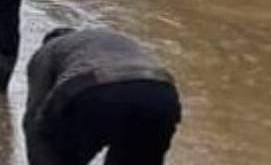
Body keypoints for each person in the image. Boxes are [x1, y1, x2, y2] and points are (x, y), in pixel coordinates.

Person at [24, 27, 181, 165]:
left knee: (45, 141)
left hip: (93, 90)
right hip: (161, 93)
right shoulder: (111, 37)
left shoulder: (47, 50)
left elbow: (32, 118)